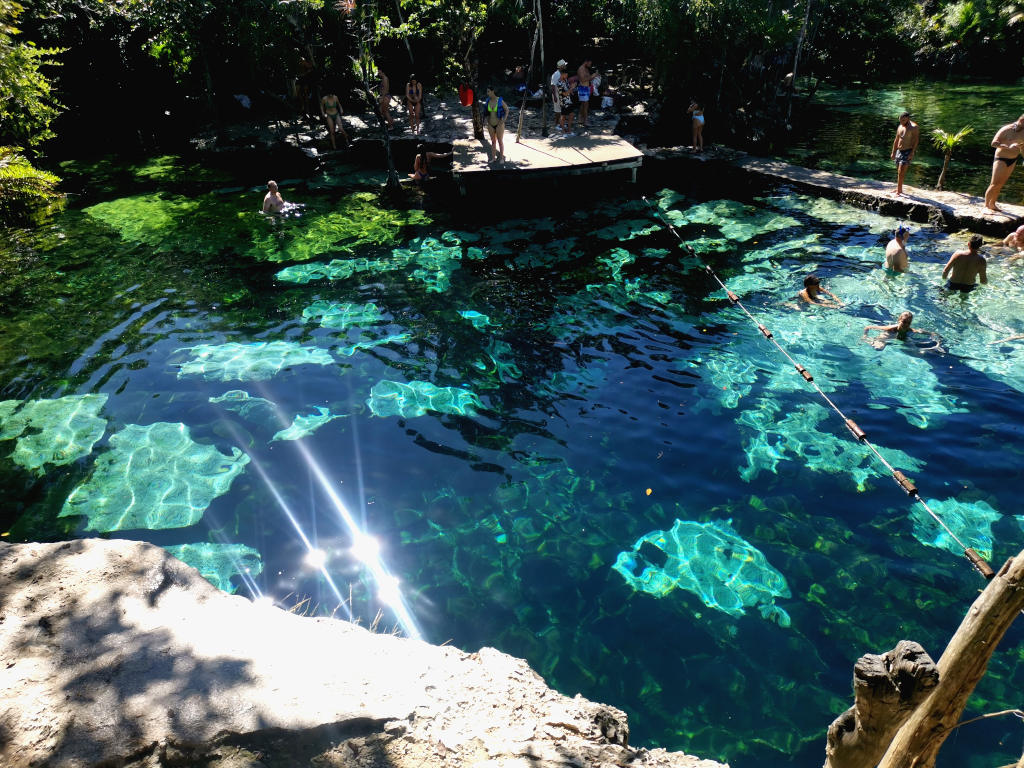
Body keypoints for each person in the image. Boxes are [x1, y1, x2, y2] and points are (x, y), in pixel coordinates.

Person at [984, 115, 1024, 211]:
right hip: (1001, 158)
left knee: (1001, 184)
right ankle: (985, 206)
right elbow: (994, 143)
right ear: (1021, 121)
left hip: (1013, 159)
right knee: (994, 184)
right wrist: (1008, 146)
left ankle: (992, 204)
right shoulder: (1006, 129)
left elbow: (1022, 148)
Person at [862, 311, 939, 350]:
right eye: (904, 322)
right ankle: (871, 341)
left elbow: (922, 332)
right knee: (879, 348)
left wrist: (933, 335)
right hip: (887, 337)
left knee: (915, 349)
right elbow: (868, 327)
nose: (906, 324)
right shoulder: (891, 328)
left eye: (908, 323)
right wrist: (865, 336)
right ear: (899, 320)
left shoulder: (909, 329)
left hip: (899, 339)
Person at [890, 112, 919, 197]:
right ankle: (899, 188)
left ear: (908, 119)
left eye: (903, 120)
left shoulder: (914, 127)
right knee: (899, 171)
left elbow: (916, 141)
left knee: (901, 171)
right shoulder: (900, 126)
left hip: (907, 151)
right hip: (899, 151)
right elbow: (896, 139)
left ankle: (898, 192)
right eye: (900, 120)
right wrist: (893, 152)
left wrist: (912, 153)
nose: (901, 122)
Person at [484, 86, 507, 164]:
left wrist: (504, 119)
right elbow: (486, 113)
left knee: (500, 141)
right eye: (487, 92)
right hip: (490, 124)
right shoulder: (487, 101)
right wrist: (486, 122)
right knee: (493, 142)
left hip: (499, 124)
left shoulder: (499, 100)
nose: (487, 93)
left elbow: (507, 109)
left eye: (488, 91)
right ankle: (493, 158)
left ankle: (501, 158)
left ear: (492, 91)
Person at [556, 70, 577, 136]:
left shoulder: (565, 80)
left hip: (569, 100)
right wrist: (572, 88)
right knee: (563, 116)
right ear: (562, 74)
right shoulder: (559, 83)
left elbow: (568, 89)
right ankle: (563, 131)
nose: (567, 76)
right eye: (566, 74)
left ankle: (569, 130)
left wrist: (572, 88)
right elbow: (564, 94)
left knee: (571, 115)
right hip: (563, 102)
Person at [576, 57, 593, 132]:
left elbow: (588, 78)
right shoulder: (581, 69)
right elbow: (583, 79)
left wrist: (594, 76)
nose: (590, 64)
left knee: (583, 104)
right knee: (585, 105)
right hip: (582, 88)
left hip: (586, 88)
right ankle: (585, 121)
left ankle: (580, 118)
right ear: (586, 61)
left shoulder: (586, 69)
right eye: (590, 63)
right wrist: (593, 76)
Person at [550, 59, 568, 134]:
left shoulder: (562, 73)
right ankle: (557, 124)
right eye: (564, 65)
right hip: (557, 94)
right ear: (561, 66)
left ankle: (561, 123)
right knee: (557, 110)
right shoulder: (556, 74)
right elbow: (553, 86)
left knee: (562, 109)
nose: (565, 66)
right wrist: (554, 96)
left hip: (561, 94)